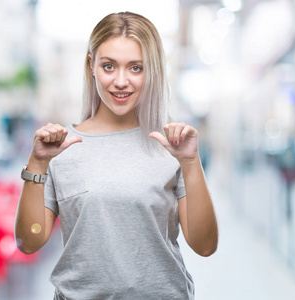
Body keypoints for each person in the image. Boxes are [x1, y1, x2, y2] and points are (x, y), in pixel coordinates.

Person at [15, 11, 218, 300]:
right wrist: (37, 164)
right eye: (109, 66)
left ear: (153, 70)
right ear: (92, 66)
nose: (121, 81)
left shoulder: (171, 146)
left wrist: (190, 163)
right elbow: (28, 242)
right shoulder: (60, 148)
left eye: (136, 68)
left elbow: (205, 245)